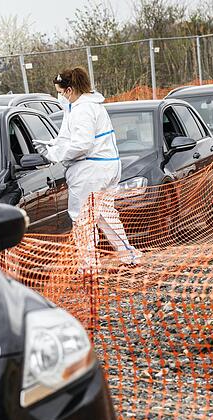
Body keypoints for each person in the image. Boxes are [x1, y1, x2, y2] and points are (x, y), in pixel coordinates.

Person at [33, 67, 141, 271]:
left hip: (91, 170)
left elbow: (82, 144)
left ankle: (89, 266)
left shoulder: (83, 109)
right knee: (105, 214)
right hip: (107, 166)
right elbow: (68, 138)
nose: (59, 96)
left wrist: (56, 155)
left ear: (70, 90)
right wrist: (53, 146)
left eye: (60, 91)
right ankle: (128, 254)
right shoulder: (85, 106)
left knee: (82, 218)